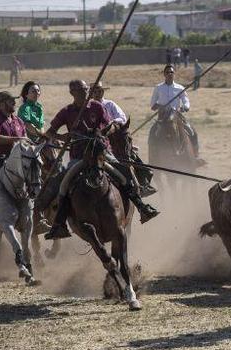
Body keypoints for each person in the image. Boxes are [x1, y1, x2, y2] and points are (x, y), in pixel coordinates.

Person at [44, 80, 159, 240]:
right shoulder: (66, 111)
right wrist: (63, 136)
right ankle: (59, 225)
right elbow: (49, 133)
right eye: (81, 90)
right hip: (79, 157)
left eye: (86, 89)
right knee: (64, 185)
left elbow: (110, 125)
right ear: (72, 93)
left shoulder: (97, 107)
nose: (85, 92)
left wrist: (102, 132)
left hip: (101, 153)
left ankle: (142, 207)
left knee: (123, 173)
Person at [93, 81, 156, 197]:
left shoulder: (110, 104)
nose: (97, 93)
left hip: (115, 137)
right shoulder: (88, 108)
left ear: (103, 92)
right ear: (91, 93)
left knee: (128, 154)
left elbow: (122, 117)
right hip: (96, 141)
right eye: (95, 91)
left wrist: (112, 124)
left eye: (99, 91)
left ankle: (143, 183)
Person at [150, 65, 199, 156]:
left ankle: (195, 156)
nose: (169, 74)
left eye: (171, 72)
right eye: (167, 72)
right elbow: (152, 105)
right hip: (162, 118)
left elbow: (186, 101)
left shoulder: (180, 88)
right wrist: (160, 106)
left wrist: (185, 107)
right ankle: (152, 159)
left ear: (174, 74)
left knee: (192, 132)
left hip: (177, 116)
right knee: (152, 133)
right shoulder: (158, 88)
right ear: (164, 74)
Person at [0, 91, 29, 167]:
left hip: (19, 160)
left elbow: (25, 139)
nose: (14, 103)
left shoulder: (19, 121)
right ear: (1, 104)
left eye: (14, 100)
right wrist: (18, 139)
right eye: (11, 101)